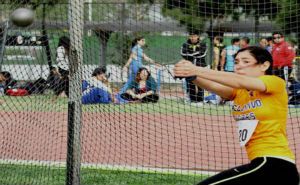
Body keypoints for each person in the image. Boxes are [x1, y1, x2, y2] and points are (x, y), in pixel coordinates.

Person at [174, 46, 299, 185]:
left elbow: (239, 81)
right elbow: (215, 86)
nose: (239, 66)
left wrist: (196, 69)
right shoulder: (239, 92)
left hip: (275, 165)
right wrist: (192, 76)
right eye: (237, 62)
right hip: (263, 165)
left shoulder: (275, 82)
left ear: (264, 65)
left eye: (246, 62)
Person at [181, 30, 207, 104]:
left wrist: (189, 53)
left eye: (194, 36)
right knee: (190, 83)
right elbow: (183, 53)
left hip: (200, 66)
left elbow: (203, 54)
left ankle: (200, 100)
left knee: (201, 83)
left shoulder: (203, 44)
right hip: (189, 67)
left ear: (197, 36)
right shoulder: (185, 44)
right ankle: (192, 100)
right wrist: (196, 53)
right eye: (191, 36)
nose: (192, 38)